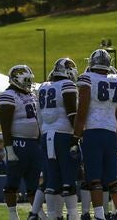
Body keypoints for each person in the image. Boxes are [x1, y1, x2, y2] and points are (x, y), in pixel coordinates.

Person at [74, 49, 117, 220]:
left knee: (94, 178)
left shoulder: (87, 78)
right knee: (113, 178)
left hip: (93, 130)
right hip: (111, 131)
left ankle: (99, 215)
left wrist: (76, 134)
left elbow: (82, 108)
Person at [38, 57, 80, 220]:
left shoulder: (43, 86)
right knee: (68, 177)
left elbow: (39, 115)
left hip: (46, 134)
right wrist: (77, 136)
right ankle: (73, 215)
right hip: (63, 135)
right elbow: (72, 113)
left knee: (52, 179)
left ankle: (52, 216)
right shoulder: (67, 85)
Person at [0, 64, 41, 220]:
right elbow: (5, 125)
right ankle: (12, 215)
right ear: (16, 79)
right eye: (26, 80)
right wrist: (9, 149)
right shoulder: (8, 95)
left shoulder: (31, 95)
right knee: (12, 183)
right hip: (18, 144)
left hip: (33, 144)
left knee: (34, 184)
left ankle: (37, 213)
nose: (29, 83)